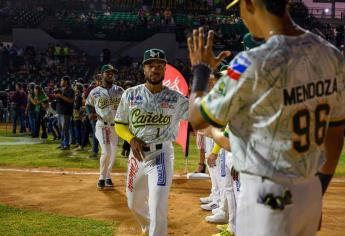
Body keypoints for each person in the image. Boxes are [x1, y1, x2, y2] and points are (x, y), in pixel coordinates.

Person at [187, 0, 345, 235]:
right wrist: (315, 192)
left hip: (268, 195)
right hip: (310, 188)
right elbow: (334, 134)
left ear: (249, 4)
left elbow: (198, 118)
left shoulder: (250, 62)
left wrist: (200, 70)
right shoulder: (331, 55)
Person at [114, 48, 189, 236]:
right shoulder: (130, 94)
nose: (154, 69)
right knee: (133, 203)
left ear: (165, 69)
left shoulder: (176, 98)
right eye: (150, 65)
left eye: (159, 65)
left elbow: (199, 114)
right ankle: (148, 227)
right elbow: (120, 124)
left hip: (161, 154)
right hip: (137, 156)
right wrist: (131, 139)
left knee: (157, 204)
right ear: (144, 69)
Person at [86, 65, 124, 190]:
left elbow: (127, 105)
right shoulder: (94, 91)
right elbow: (88, 104)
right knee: (106, 151)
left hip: (116, 126)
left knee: (112, 154)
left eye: (112, 73)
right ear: (102, 74)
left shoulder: (120, 90)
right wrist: (90, 113)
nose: (110, 74)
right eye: (107, 72)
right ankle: (101, 178)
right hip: (102, 125)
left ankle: (108, 177)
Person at [55, 76, 75, 150]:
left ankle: (67, 144)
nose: (61, 82)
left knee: (65, 129)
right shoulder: (61, 90)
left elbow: (71, 101)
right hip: (60, 111)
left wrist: (60, 96)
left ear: (66, 81)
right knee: (61, 129)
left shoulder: (70, 90)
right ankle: (62, 143)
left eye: (62, 81)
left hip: (66, 112)